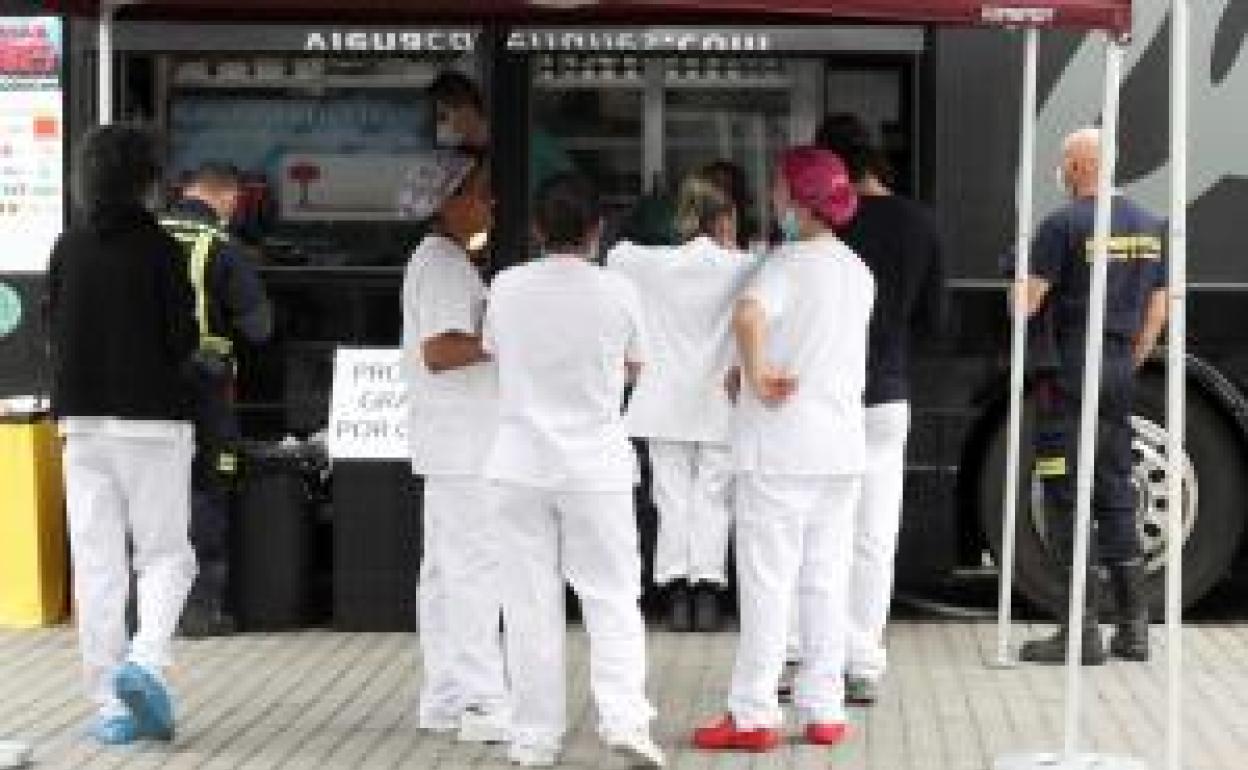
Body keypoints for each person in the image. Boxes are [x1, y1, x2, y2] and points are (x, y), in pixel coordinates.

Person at [693, 147, 872, 753]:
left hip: (779, 450)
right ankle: (824, 711)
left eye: (777, 189)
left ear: (799, 201)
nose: (772, 199)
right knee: (826, 582)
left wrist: (757, 369)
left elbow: (748, 316)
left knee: (769, 583)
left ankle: (754, 715)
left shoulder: (785, 263)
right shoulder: (857, 269)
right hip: (841, 449)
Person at [483, 173, 664, 768]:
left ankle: (534, 738)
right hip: (596, 466)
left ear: (536, 228)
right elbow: (637, 367)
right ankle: (626, 721)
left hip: (518, 463)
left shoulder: (506, 286)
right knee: (611, 596)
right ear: (597, 230)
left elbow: (495, 352)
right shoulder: (619, 291)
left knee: (528, 603)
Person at [47, 124, 199, 746]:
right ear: (145, 178)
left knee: (96, 563)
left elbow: (55, 325)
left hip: (80, 423)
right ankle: (146, 659)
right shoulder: (161, 250)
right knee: (166, 554)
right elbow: (182, 339)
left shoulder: (67, 246)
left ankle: (109, 705)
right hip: (153, 423)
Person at [1015, 127, 1168, 665]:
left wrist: (1017, 283)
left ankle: (1079, 633)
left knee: (1062, 490)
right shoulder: (1149, 226)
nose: (1060, 171)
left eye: (1064, 162)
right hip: (1120, 366)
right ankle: (1134, 631)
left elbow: (1028, 304)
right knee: (1115, 485)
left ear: (1080, 166)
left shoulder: (1061, 225)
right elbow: (1158, 309)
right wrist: (1130, 355)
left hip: (1069, 370)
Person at [815, 113, 946, 704]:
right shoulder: (921, 222)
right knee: (874, 537)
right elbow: (937, 322)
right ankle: (863, 660)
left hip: (826, 396)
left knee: (821, 534)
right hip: (889, 396)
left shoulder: (826, 228)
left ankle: (815, 656)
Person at [607, 171, 755, 632]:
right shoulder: (742, 267)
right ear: (724, 220)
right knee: (713, 497)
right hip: (719, 402)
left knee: (670, 497)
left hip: (663, 400)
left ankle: (674, 593)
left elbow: (612, 251)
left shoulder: (651, 264)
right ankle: (708, 592)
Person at [400, 151, 510, 742]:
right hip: (465, 444)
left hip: (451, 442)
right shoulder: (443, 265)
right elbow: (441, 350)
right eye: (481, 194)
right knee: (472, 572)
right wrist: (502, 338)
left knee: (445, 574)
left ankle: (444, 698)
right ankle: (482, 701)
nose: (491, 204)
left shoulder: (443, 260)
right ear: (448, 202)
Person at [160, 162, 272, 638]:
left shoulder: (147, 237)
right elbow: (259, 329)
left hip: (147, 390)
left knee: (152, 497)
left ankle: (140, 612)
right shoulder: (221, 249)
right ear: (228, 200)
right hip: (206, 391)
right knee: (209, 486)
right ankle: (201, 610)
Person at [428, 69, 573, 191]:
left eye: (442, 116)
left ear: (465, 107)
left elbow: (572, 186)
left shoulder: (527, 138)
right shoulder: (456, 159)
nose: (437, 126)